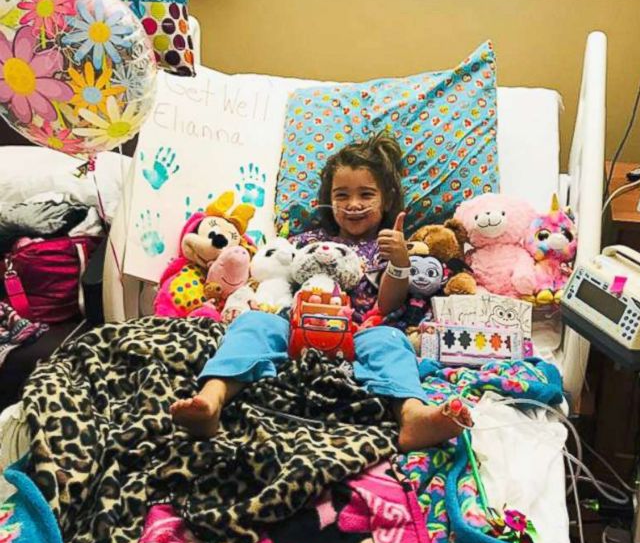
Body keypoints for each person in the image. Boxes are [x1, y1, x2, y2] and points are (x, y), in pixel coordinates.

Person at [170, 133, 471, 451]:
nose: (353, 205)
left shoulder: (390, 246)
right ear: (328, 199)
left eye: (366, 194)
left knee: (391, 341)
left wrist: (399, 260)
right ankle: (211, 399)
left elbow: (389, 303)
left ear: (387, 200)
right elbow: (274, 279)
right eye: (342, 195)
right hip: (294, 330)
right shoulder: (306, 240)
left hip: (357, 334)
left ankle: (412, 416)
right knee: (255, 325)